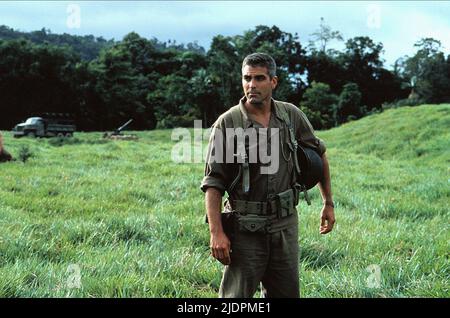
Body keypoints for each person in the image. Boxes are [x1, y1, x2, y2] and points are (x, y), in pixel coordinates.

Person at [201, 53, 335, 298]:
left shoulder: (290, 116)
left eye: (259, 78)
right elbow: (213, 183)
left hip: (285, 225)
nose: (252, 85)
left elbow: (319, 154)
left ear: (273, 82)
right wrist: (216, 233)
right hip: (245, 228)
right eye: (247, 78)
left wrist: (328, 203)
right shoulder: (228, 123)